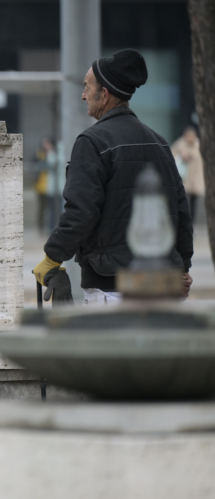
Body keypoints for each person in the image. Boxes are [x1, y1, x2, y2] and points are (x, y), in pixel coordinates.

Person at [33, 49, 194, 306]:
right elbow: (181, 212)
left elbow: (81, 211)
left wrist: (52, 257)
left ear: (104, 94)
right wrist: (182, 267)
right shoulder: (160, 142)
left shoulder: (92, 142)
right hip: (165, 284)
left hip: (111, 289)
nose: (83, 95)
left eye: (87, 87)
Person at [171, 126, 204, 224]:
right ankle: (183, 220)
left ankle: (192, 221)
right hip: (184, 177)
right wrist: (181, 156)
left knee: (194, 202)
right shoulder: (180, 144)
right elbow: (172, 154)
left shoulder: (198, 145)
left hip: (196, 178)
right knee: (183, 199)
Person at [34, 137, 58, 234]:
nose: (45, 145)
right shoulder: (40, 154)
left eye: (47, 143)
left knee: (50, 208)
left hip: (50, 186)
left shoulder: (53, 154)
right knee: (42, 208)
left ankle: (49, 226)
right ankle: (41, 227)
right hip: (41, 186)